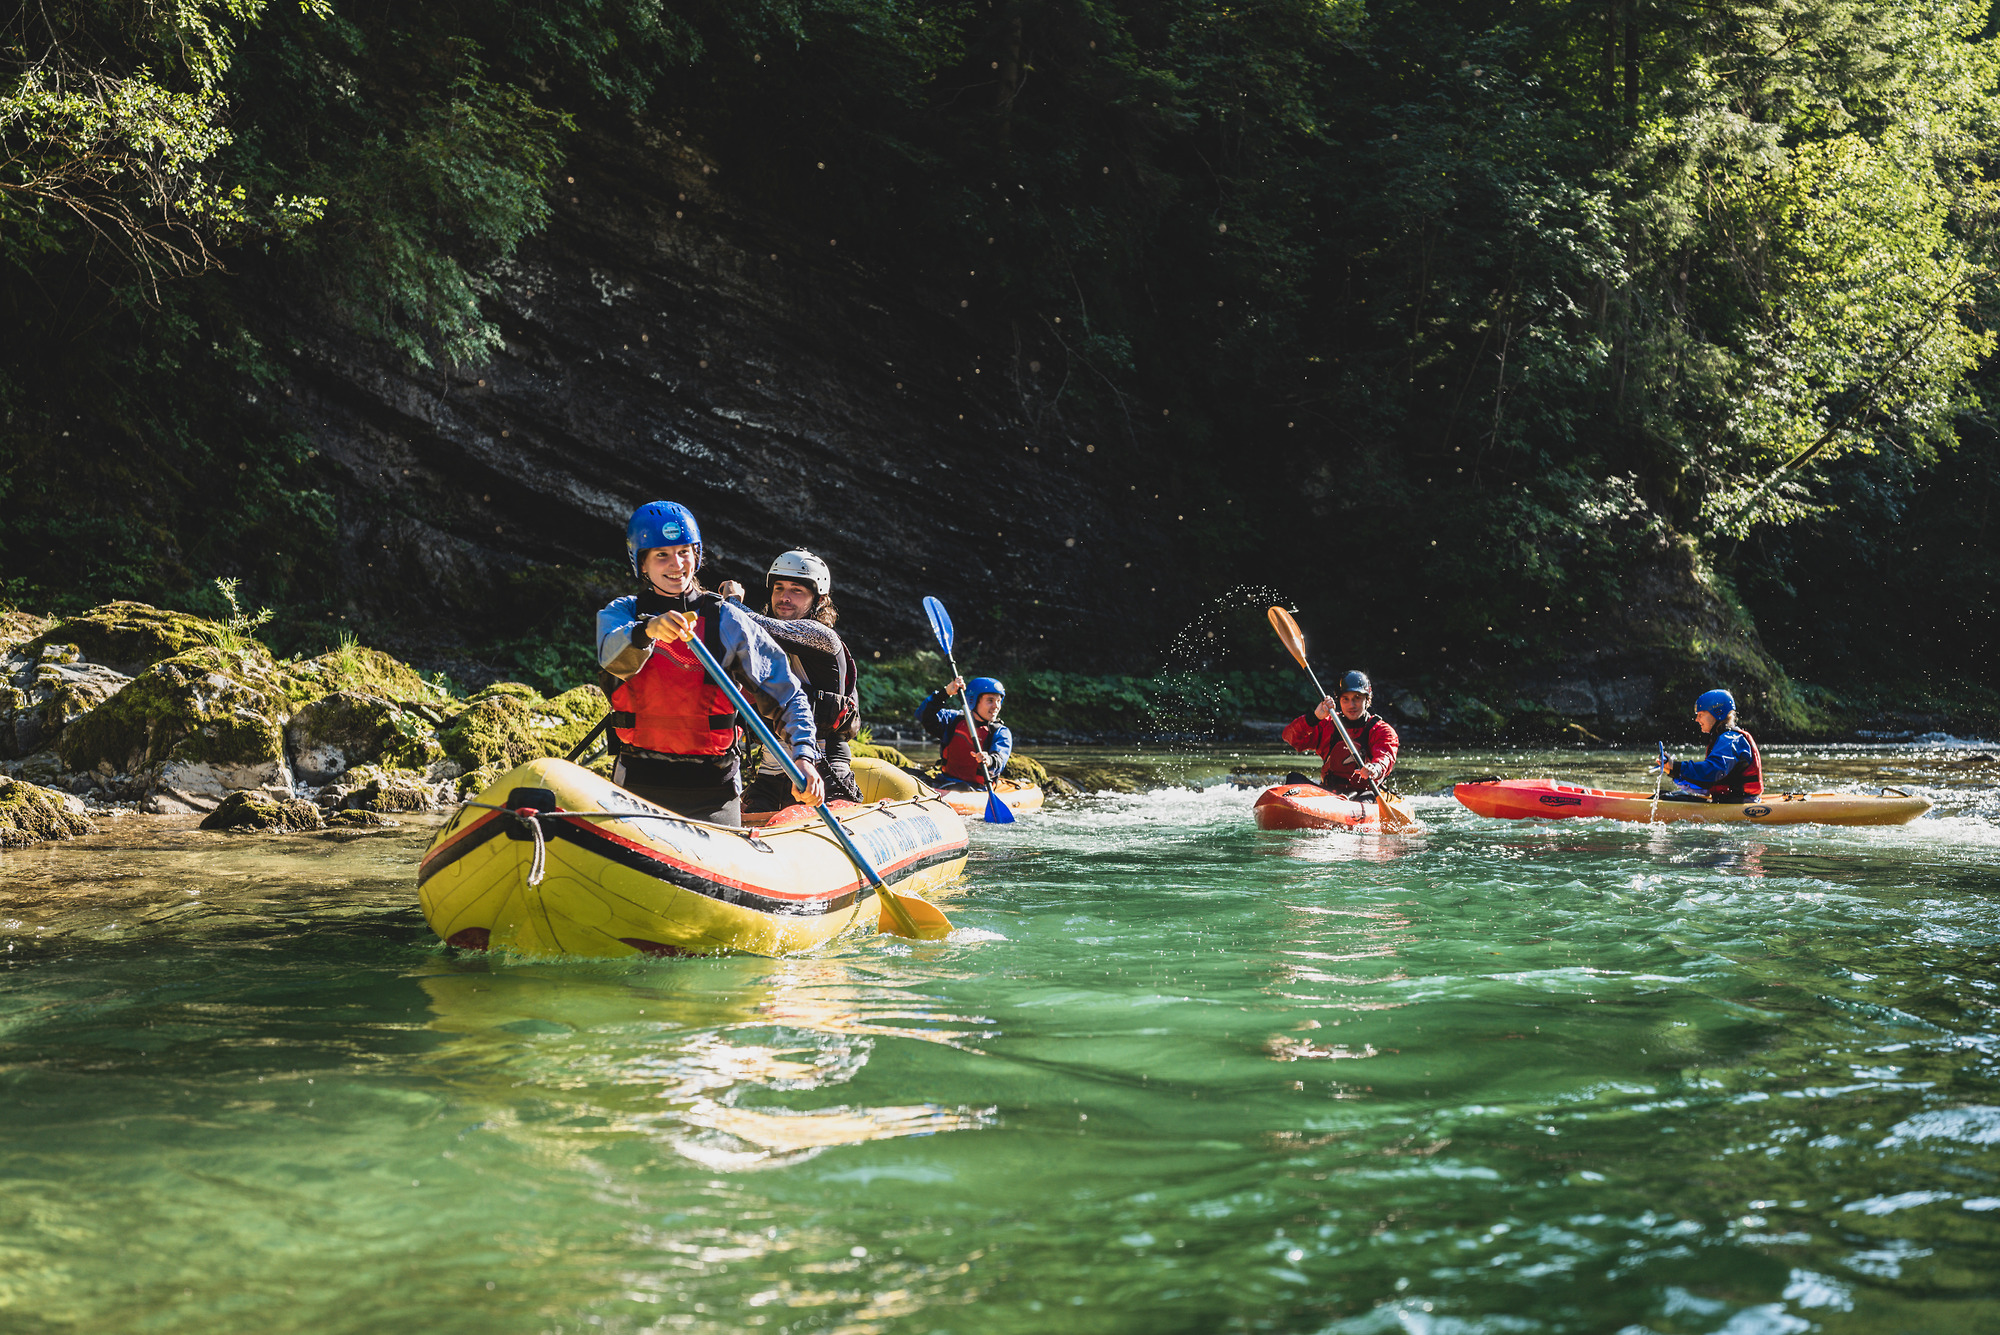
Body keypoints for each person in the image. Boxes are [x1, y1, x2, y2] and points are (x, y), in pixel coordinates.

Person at [596, 501, 823, 826]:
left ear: (696, 555)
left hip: (712, 788)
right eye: (661, 554)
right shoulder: (622, 614)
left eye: (684, 552)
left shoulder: (726, 620)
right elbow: (613, 658)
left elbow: (788, 694)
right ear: (642, 564)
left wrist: (804, 755)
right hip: (637, 780)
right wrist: (647, 632)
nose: (676, 564)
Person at [717, 549, 865, 813]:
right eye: (779, 588)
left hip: (825, 771)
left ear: (818, 600)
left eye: (797, 590)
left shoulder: (823, 637)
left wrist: (731, 602)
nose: (784, 597)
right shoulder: (760, 648)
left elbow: (757, 625)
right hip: (770, 774)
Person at [1280, 670, 1399, 797]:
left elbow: (1385, 756)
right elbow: (1290, 738)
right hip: (1330, 792)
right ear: (1339, 700)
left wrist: (1375, 768)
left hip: (1365, 794)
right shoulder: (1327, 724)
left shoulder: (1382, 730)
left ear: (1367, 700)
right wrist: (1314, 718)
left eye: (1357, 698)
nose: (1351, 705)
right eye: (1345, 699)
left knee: (1367, 797)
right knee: (1293, 779)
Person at [1656, 688, 1762, 802]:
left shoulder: (1731, 740)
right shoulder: (1723, 739)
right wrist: (1673, 772)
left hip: (1740, 803)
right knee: (1664, 795)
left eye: (1700, 714)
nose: (1697, 719)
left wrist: (1677, 767)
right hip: (1727, 801)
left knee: (1666, 798)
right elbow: (1705, 786)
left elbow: (1712, 772)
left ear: (1717, 713)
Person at [915, 675, 1011, 789]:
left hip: (975, 788)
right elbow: (923, 715)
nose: (996, 706)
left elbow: (1000, 759)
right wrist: (945, 693)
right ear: (973, 700)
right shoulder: (953, 719)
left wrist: (989, 760)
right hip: (944, 782)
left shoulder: (1000, 732)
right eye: (990, 700)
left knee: (959, 788)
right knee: (907, 773)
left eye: (999, 701)